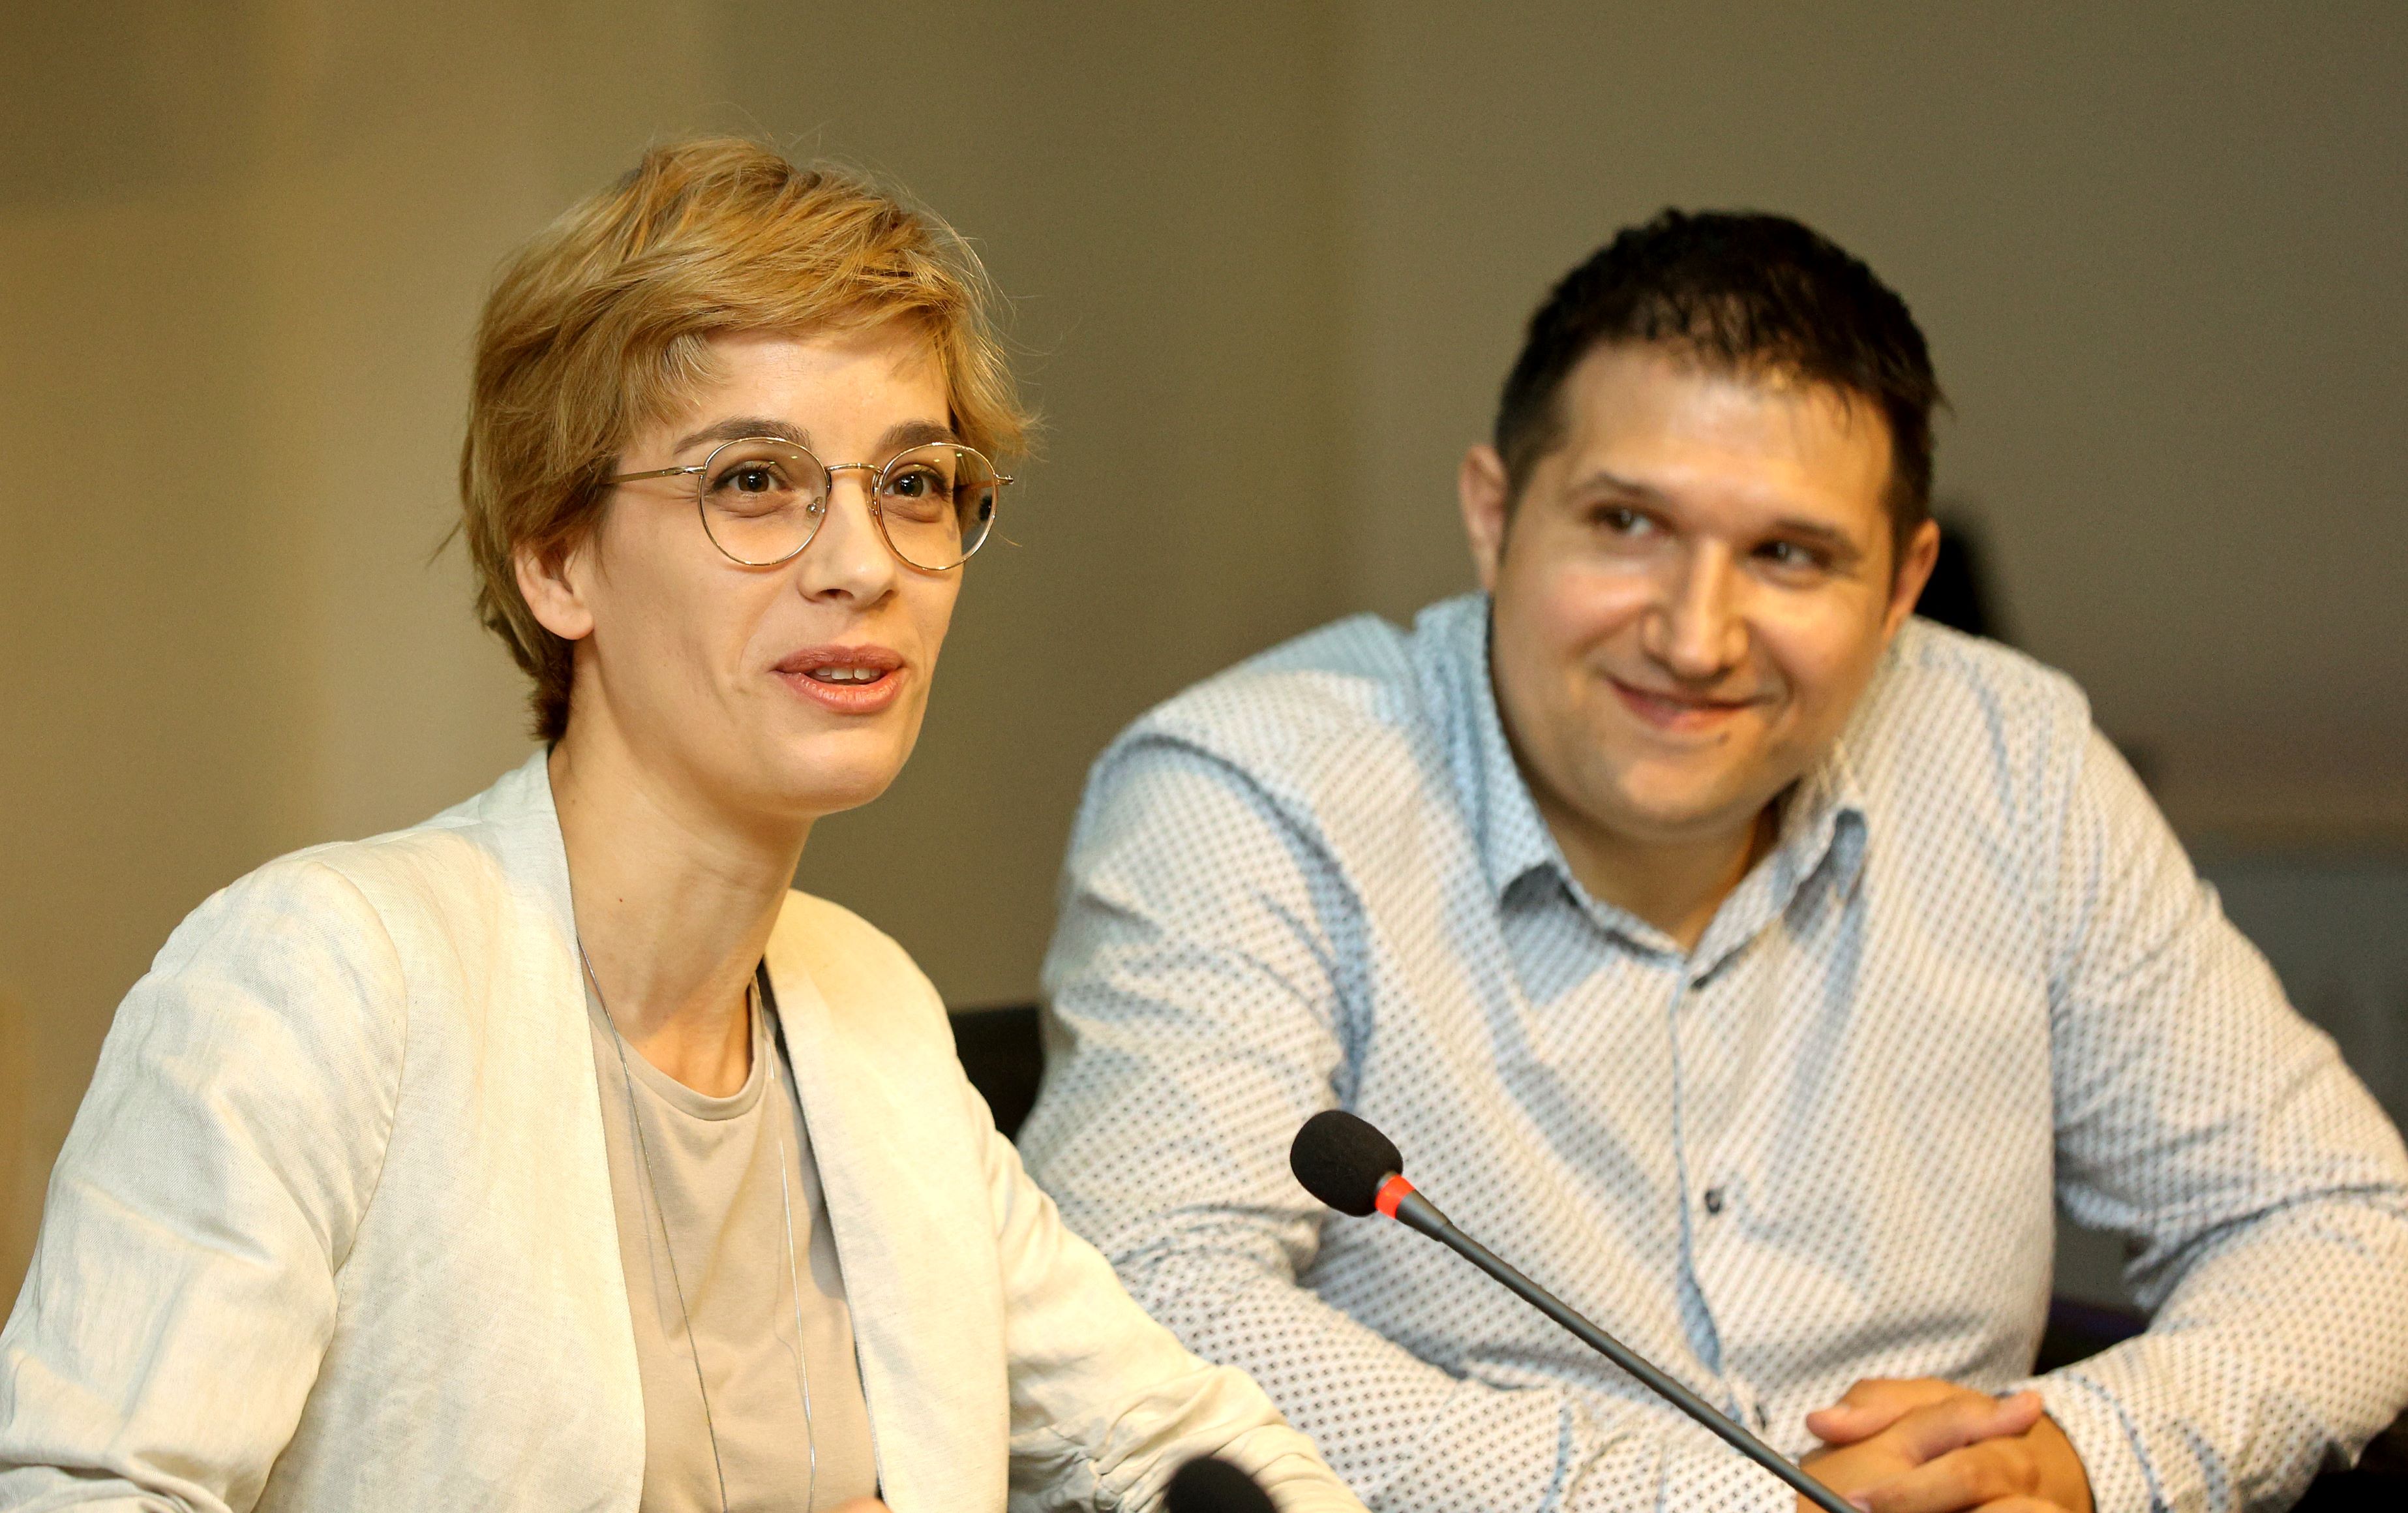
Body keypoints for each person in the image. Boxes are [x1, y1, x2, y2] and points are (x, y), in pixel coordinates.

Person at [0, 138, 1366, 1513]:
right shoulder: (323, 975)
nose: (863, 566)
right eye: (753, 481)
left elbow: (1190, 1447)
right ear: (557, 558)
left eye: (912, 484)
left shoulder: (870, 1007)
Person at [1019, 210, 2408, 1513]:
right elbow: (1144, 1301)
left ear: (1903, 584)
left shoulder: (2012, 760)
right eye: (1627, 524)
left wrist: (2076, 1453)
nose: (1695, 637)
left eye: (1790, 554)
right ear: (1495, 515)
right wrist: (1732, 1499)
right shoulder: (1251, 789)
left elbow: (2346, 1220)